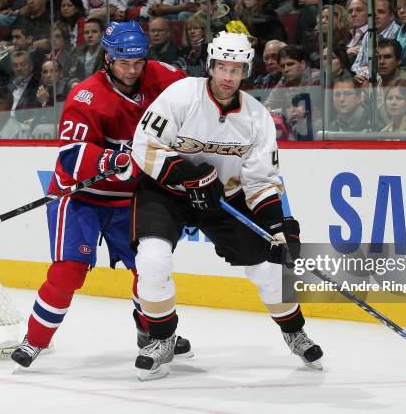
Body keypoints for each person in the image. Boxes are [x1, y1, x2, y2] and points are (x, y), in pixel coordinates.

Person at [130, 31, 323, 380]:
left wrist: (278, 228)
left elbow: (261, 180)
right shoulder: (182, 95)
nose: (227, 76)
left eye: (236, 69)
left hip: (224, 198)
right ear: (211, 65)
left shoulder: (256, 117)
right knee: (152, 259)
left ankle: (294, 330)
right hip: (167, 193)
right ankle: (162, 338)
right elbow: (144, 143)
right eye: (221, 67)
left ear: (246, 71)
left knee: (268, 267)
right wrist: (188, 175)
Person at [10, 21, 190, 368]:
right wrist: (112, 158)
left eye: (138, 62)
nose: (132, 70)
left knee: (149, 268)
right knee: (69, 271)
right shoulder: (86, 96)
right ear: (107, 59)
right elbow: (72, 155)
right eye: (124, 62)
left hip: (128, 198)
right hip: (79, 196)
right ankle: (35, 340)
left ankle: (151, 332)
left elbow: (197, 95)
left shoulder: (162, 77)